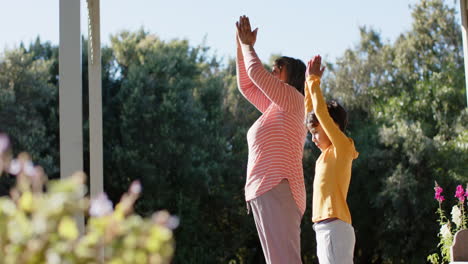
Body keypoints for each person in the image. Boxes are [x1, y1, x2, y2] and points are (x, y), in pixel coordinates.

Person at [235, 15, 307, 264]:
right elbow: (247, 85)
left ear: (293, 76)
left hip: (279, 187)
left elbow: (256, 72)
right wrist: (239, 43)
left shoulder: (293, 99)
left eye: (280, 67)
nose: (273, 70)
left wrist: (248, 46)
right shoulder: (277, 107)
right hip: (268, 189)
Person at [304, 55, 359, 264]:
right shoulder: (326, 155)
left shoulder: (342, 148)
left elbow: (319, 113)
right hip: (325, 228)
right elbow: (311, 115)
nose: (313, 138)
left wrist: (314, 81)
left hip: (334, 227)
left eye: (317, 132)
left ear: (333, 126)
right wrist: (308, 86)